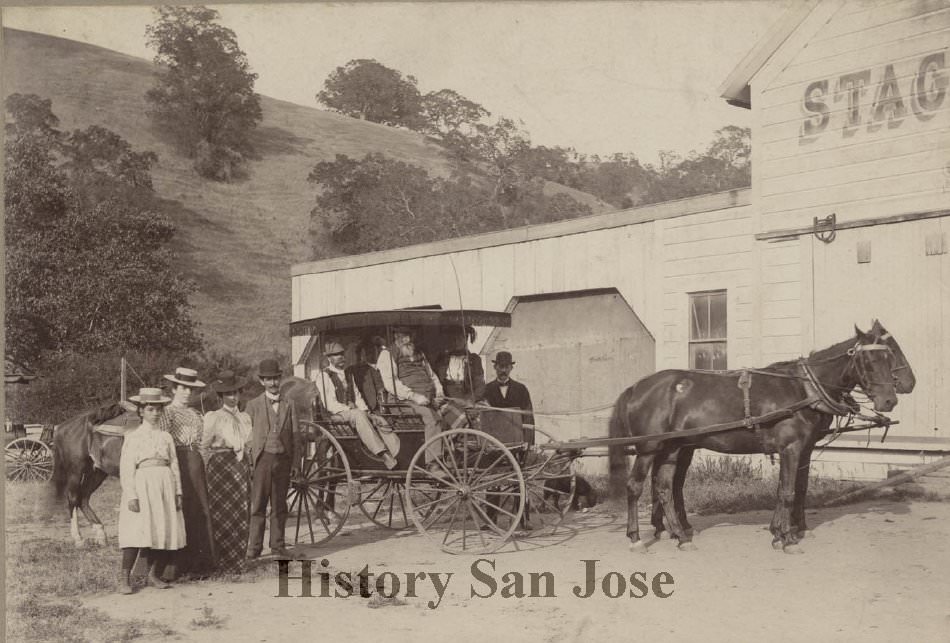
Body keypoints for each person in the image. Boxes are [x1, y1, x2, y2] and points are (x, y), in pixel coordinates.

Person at [117, 388, 185, 594]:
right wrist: (131, 495)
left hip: (164, 483)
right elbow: (126, 468)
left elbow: (174, 465)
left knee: (162, 528)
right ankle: (124, 578)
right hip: (143, 484)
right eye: (150, 409)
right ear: (141, 412)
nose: (155, 413)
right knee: (137, 530)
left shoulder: (166, 437)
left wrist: (177, 492)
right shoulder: (134, 437)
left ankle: (154, 574)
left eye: (158, 410)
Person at [159, 366, 216, 579]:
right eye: (182, 388)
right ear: (174, 389)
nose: (186, 393)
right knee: (179, 511)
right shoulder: (167, 412)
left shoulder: (195, 414)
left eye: (190, 389)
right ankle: (174, 567)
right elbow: (163, 441)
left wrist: (205, 462)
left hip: (196, 464)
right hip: (177, 462)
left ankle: (200, 563)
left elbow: (202, 443)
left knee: (198, 510)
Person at [246, 358, 299, 559]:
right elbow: (247, 436)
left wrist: (295, 463)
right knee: (258, 504)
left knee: (279, 505)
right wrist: (250, 462)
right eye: (268, 379)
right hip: (262, 459)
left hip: (283, 459)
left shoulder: (290, 404)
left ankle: (277, 546)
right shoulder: (253, 405)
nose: (273, 383)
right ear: (262, 381)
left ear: (280, 379)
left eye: (276, 378)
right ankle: (254, 548)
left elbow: (296, 436)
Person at [316, 341, 399, 470]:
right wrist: (351, 409)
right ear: (329, 358)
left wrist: (367, 411)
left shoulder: (348, 374)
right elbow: (330, 404)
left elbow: (357, 396)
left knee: (378, 419)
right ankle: (382, 454)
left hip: (352, 413)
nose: (341, 357)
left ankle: (395, 451)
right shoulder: (324, 376)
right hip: (335, 416)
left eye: (342, 354)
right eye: (337, 355)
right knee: (358, 415)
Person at [201, 371, 252, 573]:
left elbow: (249, 442)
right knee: (222, 512)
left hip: (241, 466)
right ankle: (221, 561)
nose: (233, 397)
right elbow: (203, 445)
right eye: (228, 394)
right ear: (221, 396)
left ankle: (238, 561)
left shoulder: (246, 417)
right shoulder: (214, 417)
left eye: (235, 393)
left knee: (242, 510)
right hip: (220, 466)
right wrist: (205, 470)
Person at [376, 330, 446, 475]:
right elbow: (391, 383)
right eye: (403, 336)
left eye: (409, 335)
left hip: (428, 399)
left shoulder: (419, 353)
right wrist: (414, 396)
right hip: (402, 402)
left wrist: (439, 392)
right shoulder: (387, 354)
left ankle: (450, 454)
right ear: (396, 337)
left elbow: (432, 376)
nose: (407, 339)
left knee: (456, 411)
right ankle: (432, 463)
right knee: (432, 418)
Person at [434, 326, 486, 429]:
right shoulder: (442, 360)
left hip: (470, 400)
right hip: (449, 401)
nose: (456, 341)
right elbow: (436, 383)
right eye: (453, 338)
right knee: (460, 416)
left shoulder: (474, 360)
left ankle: (482, 442)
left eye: (460, 338)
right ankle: (457, 441)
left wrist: (470, 400)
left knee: (487, 413)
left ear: (466, 339)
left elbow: (480, 385)